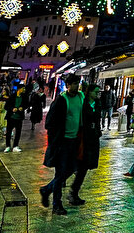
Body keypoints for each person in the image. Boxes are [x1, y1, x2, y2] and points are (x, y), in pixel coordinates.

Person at [39, 73, 84, 216]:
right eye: (74, 84)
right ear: (68, 85)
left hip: (75, 140)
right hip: (63, 142)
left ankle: (46, 190)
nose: (77, 86)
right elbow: (49, 123)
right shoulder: (61, 100)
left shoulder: (81, 97)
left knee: (72, 169)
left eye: (78, 83)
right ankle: (56, 204)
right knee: (60, 173)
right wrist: (56, 140)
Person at [67, 83, 103, 206]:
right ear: (89, 92)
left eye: (98, 92)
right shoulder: (83, 103)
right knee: (78, 167)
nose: (97, 94)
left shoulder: (97, 104)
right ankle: (69, 192)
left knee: (83, 168)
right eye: (96, 92)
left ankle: (73, 192)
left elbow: (97, 119)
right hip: (83, 138)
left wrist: (98, 131)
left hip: (93, 138)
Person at [4, 84, 26, 152]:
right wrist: (12, 109)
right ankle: (8, 146)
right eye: (23, 88)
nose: (24, 90)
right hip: (11, 117)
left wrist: (23, 108)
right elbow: (6, 106)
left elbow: (27, 104)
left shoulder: (24, 97)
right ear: (19, 89)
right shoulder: (12, 96)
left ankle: (15, 146)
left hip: (19, 117)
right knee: (9, 132)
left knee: (18, 133)